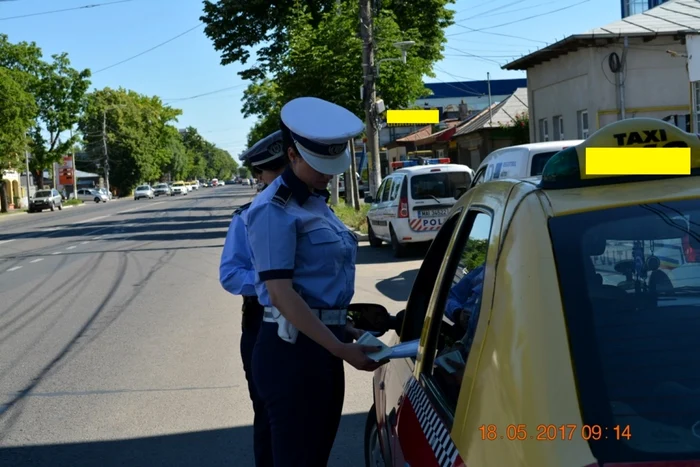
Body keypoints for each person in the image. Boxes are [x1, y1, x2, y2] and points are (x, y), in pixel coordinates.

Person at [246, 97, 385, 467]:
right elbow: (281, 294)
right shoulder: (274, 210)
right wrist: (339, 348)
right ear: (292, 154)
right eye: (319, 163)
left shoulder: (315, 203)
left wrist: (346, 329)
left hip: (321, 344)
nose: (328, 173)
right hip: (291, 355)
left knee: (314, 456)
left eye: (332, 163)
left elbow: (317, 284)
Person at [219, 130, 288, 467]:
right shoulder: (246, 216)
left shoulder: (315, 209)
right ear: (260, 176)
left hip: (311, 322)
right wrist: (274, 281)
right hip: (263, 324)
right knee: (269, 415)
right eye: (273, 175)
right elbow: (231, 275)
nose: (280, 181)